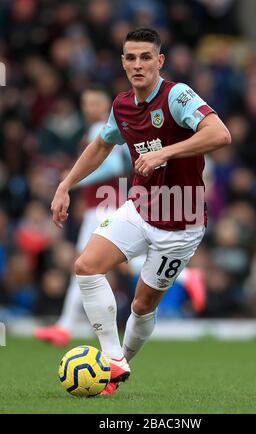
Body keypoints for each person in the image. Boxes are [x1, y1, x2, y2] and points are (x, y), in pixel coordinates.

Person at [50, 28, 231, 395]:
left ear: (159, 61)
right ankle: (114, 360)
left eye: (146, 57)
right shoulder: (121, 105)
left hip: (181, 223)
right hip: (140, 209)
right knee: (85, 267)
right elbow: (101, 145)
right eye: (130, 58)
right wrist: (65, 184)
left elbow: (221, 134)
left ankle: (120, 362)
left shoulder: (176, 96)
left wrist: (164, 152)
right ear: (122, 62)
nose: (138, 64)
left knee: (142, 305)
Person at [34, 87, 130, 346]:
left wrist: (71, 181)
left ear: (107, 105)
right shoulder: (100, 129)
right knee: (89, 266)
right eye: (86, 103)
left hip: (104, 208)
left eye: (96, 102)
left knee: (85, 265)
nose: (90, 107)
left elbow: (114, 165)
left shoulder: (101, 128)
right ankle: (65, 326)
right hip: (103, 206)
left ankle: (64, 326)